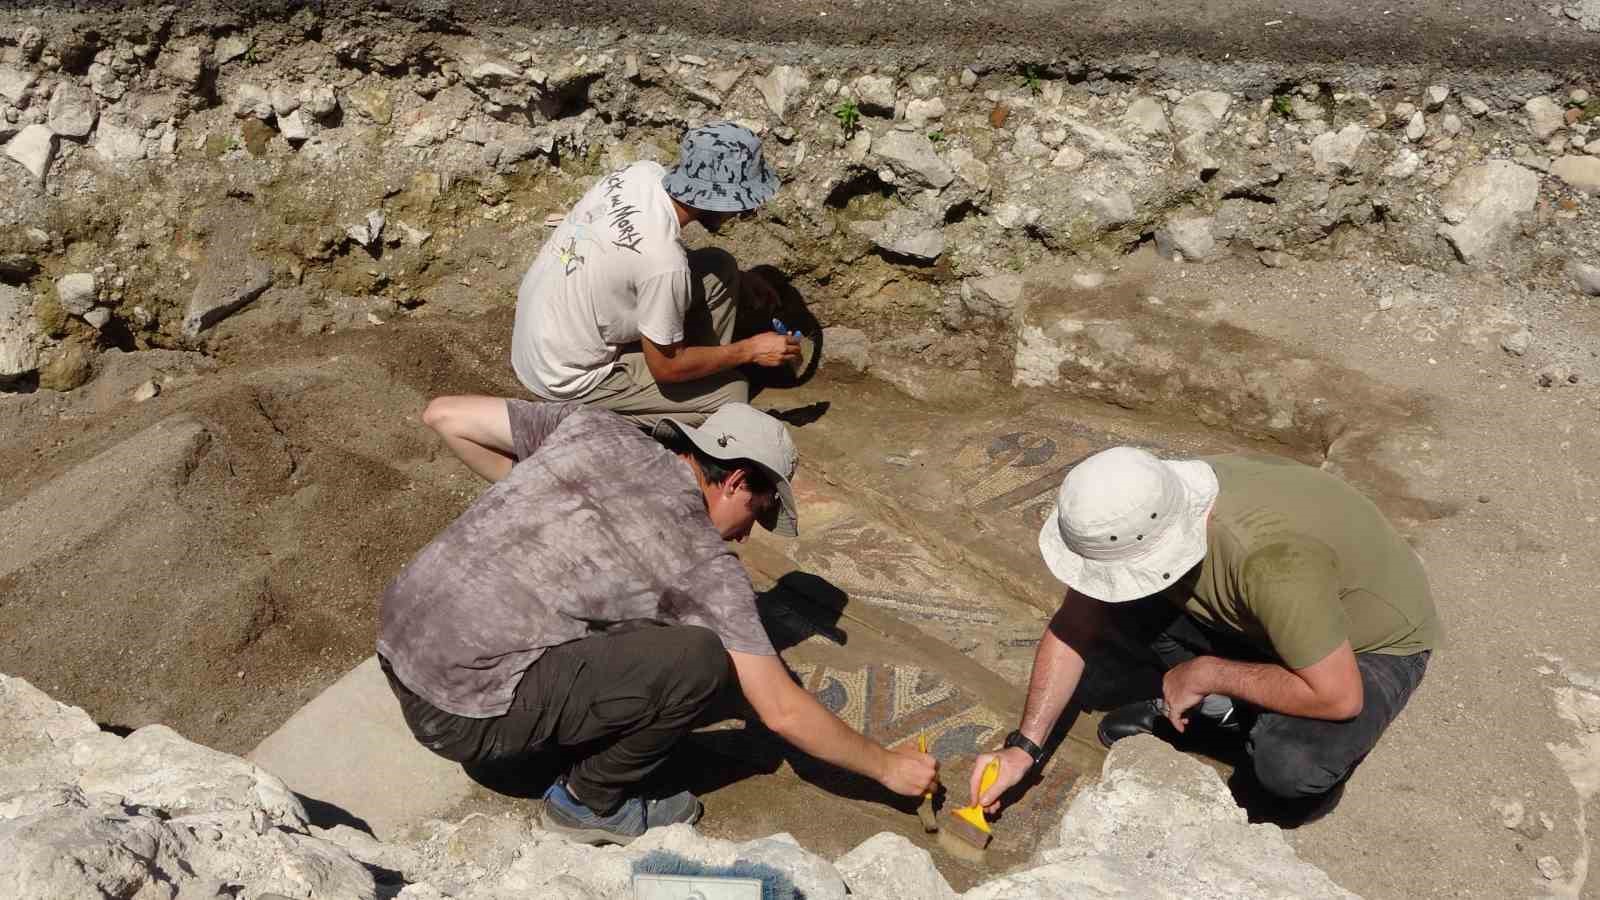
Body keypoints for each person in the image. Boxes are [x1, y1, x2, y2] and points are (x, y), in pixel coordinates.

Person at [378, 399, 936, 845]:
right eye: (761, 511)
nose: (750, 533)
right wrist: (888, 767)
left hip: (397, 646)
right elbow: (783, 710)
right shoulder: (703, 565)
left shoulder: (598, 429)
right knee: (699, 660)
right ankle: (586, 803)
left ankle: (560, 725)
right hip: (461, 717)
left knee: (638, 624)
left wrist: (536, 495)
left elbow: (445, 415)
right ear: (737, 480)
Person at [967, 447, 1440, 816]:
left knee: (1289, 767)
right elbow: (1075, 623)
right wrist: (1023, 749)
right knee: (1119, 610)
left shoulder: (1270, 562)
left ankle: (1236, 724)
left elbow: (1339, 697)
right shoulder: (1146, 503)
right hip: (1273, 614)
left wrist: (1208, 672)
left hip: (1366, 645)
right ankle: (1227, 711)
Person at [503, 120, 799, 432]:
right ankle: (621, 421)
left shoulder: (640, 173)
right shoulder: (663, 263)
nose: (741, 214)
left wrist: (738, 279)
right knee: (732, 396)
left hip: (544, 333)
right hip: (563, 379)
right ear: (718, 199)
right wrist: (749, 350)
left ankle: (697, 373)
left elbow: (639, 252)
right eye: (740, 205)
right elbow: (667, 368)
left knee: (719, 267)